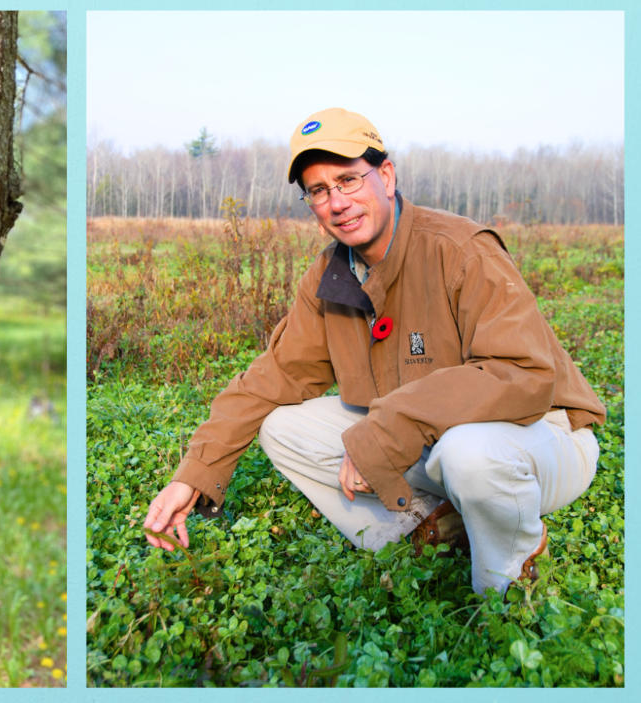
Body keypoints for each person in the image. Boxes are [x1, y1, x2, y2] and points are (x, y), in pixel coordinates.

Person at [143, 108, 605, 595]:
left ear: (386, 176)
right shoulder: (329, 277)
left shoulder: (461, 249)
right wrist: (194, 475)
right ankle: (425, 531)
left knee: (467, 452)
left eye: (348, 180)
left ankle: (510, 581)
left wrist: (389, 426)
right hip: (428, 442)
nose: (336, 202)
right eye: (318, 191)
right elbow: (274, 376)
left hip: (536, 438)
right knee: (282, 427)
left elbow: (524, 373)